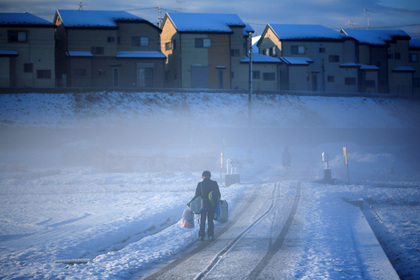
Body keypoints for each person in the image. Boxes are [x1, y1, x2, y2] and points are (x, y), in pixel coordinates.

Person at [192, 170, 221, 241]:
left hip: (203, 205)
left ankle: (201, 235)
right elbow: (218, 194)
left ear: (203, 176)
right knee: (210, 220)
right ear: (210, 176)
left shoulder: (200, 184)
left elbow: (197, 195)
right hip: (212, 204)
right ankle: (211, 235)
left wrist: (191, 203)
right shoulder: (214, 183)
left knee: (202, 220)